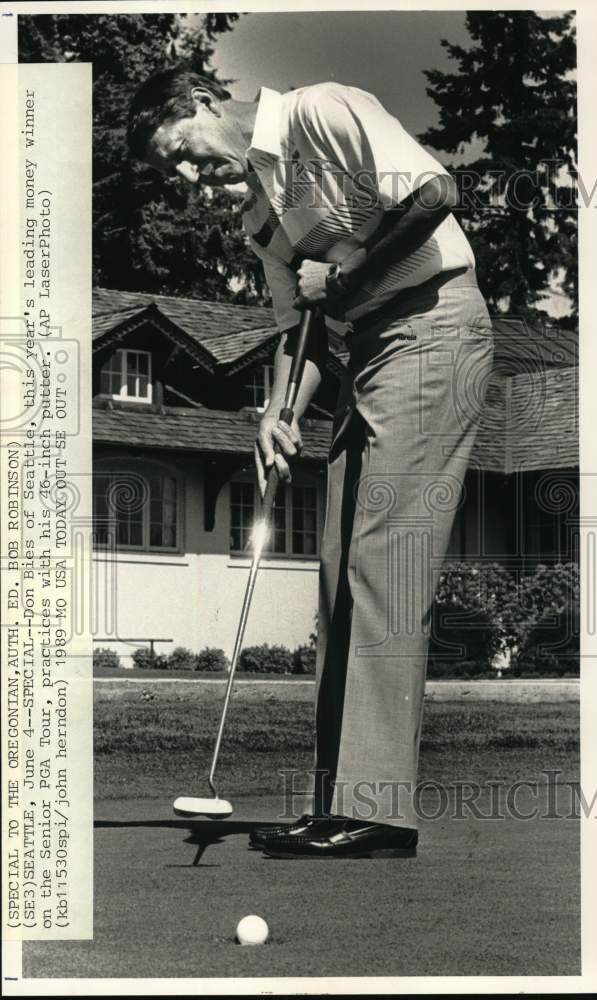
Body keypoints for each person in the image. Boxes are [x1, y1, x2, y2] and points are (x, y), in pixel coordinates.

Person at [128, 69, 494, 859]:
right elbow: (307, 332)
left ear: (200, 105)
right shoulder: (261, 218)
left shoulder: (320, 112)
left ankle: (378, 810)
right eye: (172, 177)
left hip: (435, 327)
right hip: (367, 353)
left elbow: (435, 193)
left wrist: (352, 267)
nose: (191, 181)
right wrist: (278, 411)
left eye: (182, 154)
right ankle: (339, 803)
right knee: (337, 574)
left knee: (381, 560)